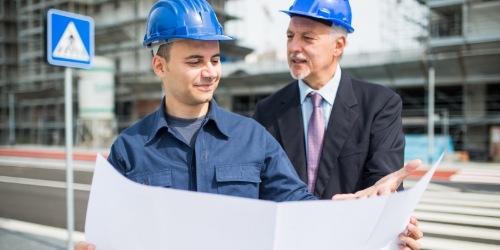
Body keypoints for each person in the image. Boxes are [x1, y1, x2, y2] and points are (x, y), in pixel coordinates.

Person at [76, 0, 422, 249]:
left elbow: (298, 205)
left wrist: (364, 216)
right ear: (160, 66)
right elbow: (113, 232)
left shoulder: (252, 137)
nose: (210, 71)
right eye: (195, 61)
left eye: (214, 59)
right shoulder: (129, 149)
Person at [252, 0, 422, 248]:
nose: (293, 47)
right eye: (290, 36)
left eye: (307, 38)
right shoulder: (267, 110)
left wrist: (392, 212)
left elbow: (382, 183)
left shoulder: (379, 104)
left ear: (338, 45)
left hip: (351, 240)